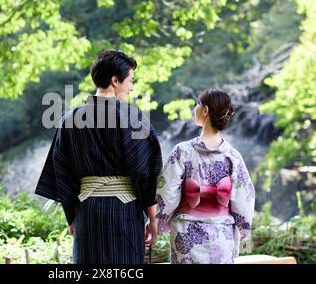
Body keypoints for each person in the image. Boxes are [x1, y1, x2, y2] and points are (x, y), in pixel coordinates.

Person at [35, 50, 163, 264]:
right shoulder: (133, 118)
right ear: (115, 80)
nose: (131, 88)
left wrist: (72, 216)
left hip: (87, 214)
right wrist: (153, 218)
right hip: (125, 213)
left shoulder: (69, 120)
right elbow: (146, 173)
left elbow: (62, 173)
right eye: (130, 81)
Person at [156, 89, 255, 264]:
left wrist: (161, 220)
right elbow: (244, 199)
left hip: (186, 234)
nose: (195, 108)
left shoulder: (182, 151)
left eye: (197, 105)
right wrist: (244, 229)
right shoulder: (233, 156)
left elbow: (167, 191)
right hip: (221, 234)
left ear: (205, 111)